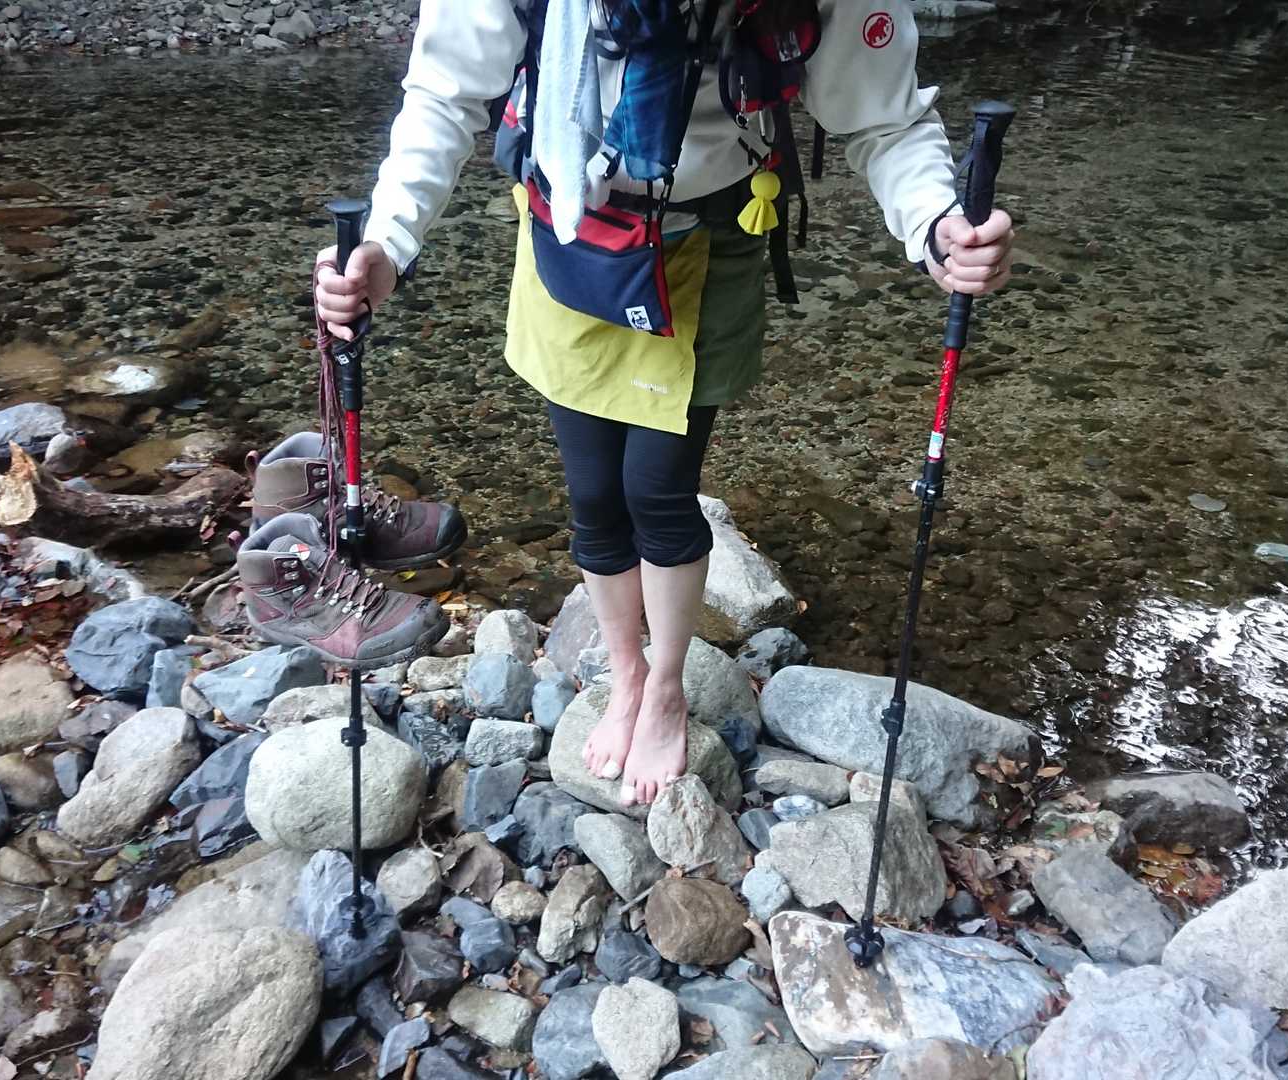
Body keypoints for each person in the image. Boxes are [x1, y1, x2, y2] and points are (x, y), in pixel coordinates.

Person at [315, 0, 1014, 807]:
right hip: (567, 231)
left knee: (657, 489)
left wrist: (934, 222)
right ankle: (627, 674)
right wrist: (388, 241)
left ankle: (668, 686)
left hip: (705, 242)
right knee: (591, 493)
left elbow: (883, 119)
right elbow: (446, 94)